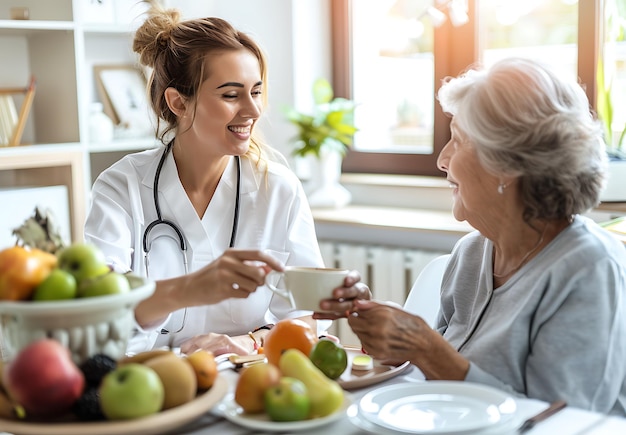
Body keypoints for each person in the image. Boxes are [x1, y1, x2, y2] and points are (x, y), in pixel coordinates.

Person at [316, 57, 626, 415]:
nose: (442, 160)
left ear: (506, 164)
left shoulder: (589, 269)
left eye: (458, 141)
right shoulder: (472, 253)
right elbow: (443, 380)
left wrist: (426, 347)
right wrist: (396, 340)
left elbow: (559, 420)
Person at [84, 3, 366, 356]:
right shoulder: (119, 187)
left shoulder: (278, 189)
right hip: (151, 384)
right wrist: (190, 288)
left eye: (257, 91)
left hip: (247, 381)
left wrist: (245, 341)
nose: (253, 110)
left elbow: (307, 316)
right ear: (178, 102)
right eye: (231, 95)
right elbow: (97, 316)